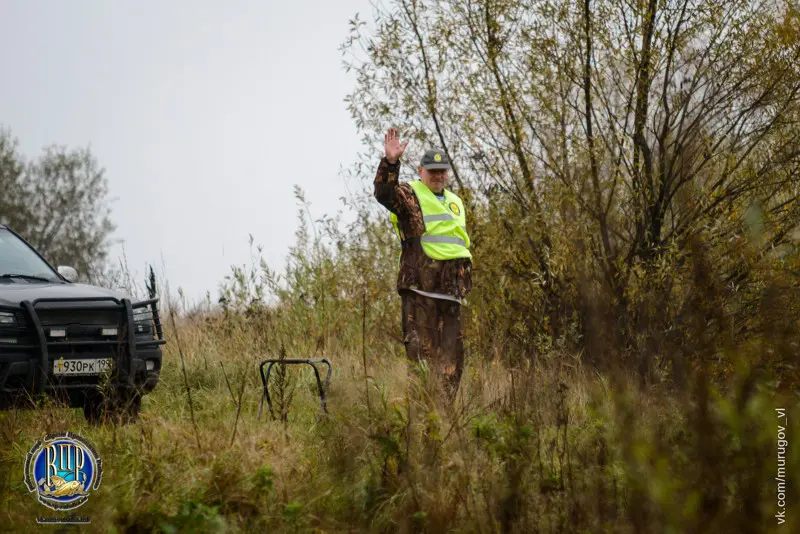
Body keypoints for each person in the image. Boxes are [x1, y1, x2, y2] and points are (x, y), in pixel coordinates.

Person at [373, 127, 473, 402]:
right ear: (420, 171)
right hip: (421, 293)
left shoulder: (456, 202)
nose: (439, 175)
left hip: (450, 295)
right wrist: (391, 162)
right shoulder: (409, 194)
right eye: (433, 171)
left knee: (453, 365)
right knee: (421, 364)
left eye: (442, 171)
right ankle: (419, 425)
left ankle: (443, 422)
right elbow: (384, 193)